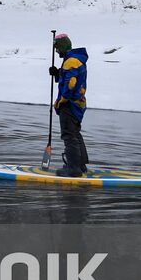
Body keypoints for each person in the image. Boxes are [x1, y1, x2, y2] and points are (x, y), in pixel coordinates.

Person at [49, 32, 90, 177]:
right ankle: (81, 165)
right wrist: (57, 73)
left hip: (70, 104)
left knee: (68, 135)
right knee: (75, 134)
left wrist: (62, 100)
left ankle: (73, 168)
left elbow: (71, 83)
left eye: (57, 48)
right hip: (78, 104)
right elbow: (70, 77)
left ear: (63, 47)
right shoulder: (74, 60)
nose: (56, 51)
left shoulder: (71, 61)